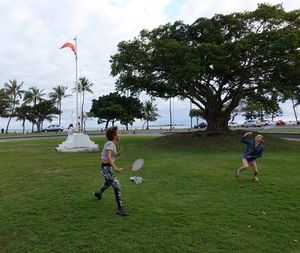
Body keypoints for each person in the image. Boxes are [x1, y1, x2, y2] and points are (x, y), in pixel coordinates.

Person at [93, 126, 129, 216]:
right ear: (114, 135)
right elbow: (108, 157)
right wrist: (115, 168)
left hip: (106, 168)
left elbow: (111, 155)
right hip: (106, 169)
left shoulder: (111, 144)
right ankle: (120, 209)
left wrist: (118, 154)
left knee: (108, 183)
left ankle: (98, 193)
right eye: (118, 133)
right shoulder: (110, 144)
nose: (120, 134)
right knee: (117, 186)